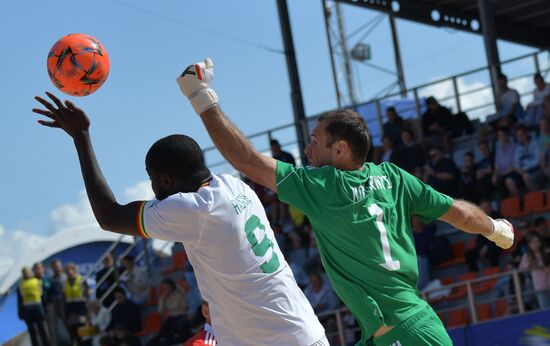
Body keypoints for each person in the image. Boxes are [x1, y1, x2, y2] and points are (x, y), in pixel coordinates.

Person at [177, 58, 515, 346]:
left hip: (401, 330)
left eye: (314, 141)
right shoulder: (395, 177)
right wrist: (496, 228)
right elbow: (458, 213)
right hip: (400, 326)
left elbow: (247, 160)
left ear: (339, 149)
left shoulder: (324, 186)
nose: (307, 151)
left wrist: (201, 97)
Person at [32, 92, 327, 346]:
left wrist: (82, 139)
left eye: (152, 180)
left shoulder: (194, 210)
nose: (152, 189)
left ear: (167, 180)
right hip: (299, 329)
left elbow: (109, 216)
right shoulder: (233, 186)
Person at [147, 278, 191, 346]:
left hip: (182, 314)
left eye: (167, 287)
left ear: (171, 286)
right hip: (172, 316)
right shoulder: (164, 297)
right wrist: (163, 299)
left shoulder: (180, 292)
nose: (166, 289)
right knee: (164, 328)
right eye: (164, 288)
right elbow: (160, 311)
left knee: (181, 324)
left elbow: (185, 305)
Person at [18, 267, 51, 346]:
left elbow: (20, 301)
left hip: (28, 311)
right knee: (43, 331)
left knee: (33, 333)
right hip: (38, 309)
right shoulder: (37, 282)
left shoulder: (21, 285)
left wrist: (20, 313)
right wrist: (45, 309)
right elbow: (43, 297)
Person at [519, 232, 550, 309]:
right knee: (545, 310)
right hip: (540, 287)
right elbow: (521, 269)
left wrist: (538, 266)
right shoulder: (527, 256)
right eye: (533, 242)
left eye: (538, 241)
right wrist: (528, 265)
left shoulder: (547, 253)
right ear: (529, 244)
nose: (536, 244)